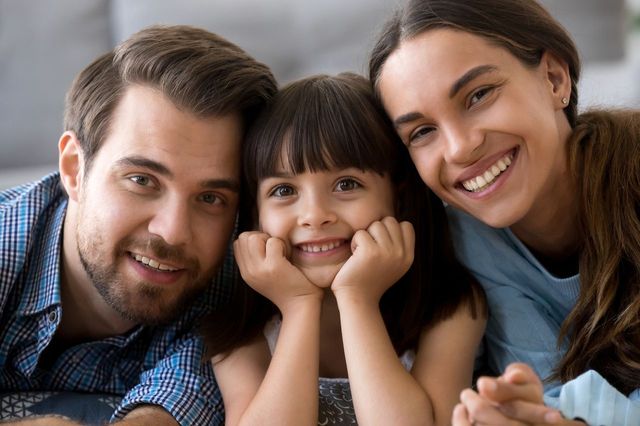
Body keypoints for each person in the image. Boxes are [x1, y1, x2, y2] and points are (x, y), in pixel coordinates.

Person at [368, 0, 640, 424]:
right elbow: (551, 395)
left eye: (478, 95)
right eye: (422, 132)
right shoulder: (469, 243)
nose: (459, 147)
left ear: (554, 79)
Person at [0, 25, 276, 425]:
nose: (174, 232)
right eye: (142, 180)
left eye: (211, 198)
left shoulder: (231, 284)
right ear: (74, 169)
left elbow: (182, 395)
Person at [203, 73, 486, 425]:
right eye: (283, 191)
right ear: (255, 214)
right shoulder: (242, 328)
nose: (314, 216)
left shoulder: (450, 308)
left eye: (346, 184)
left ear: (398, 198)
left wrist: (358, 299)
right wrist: (298, 306)